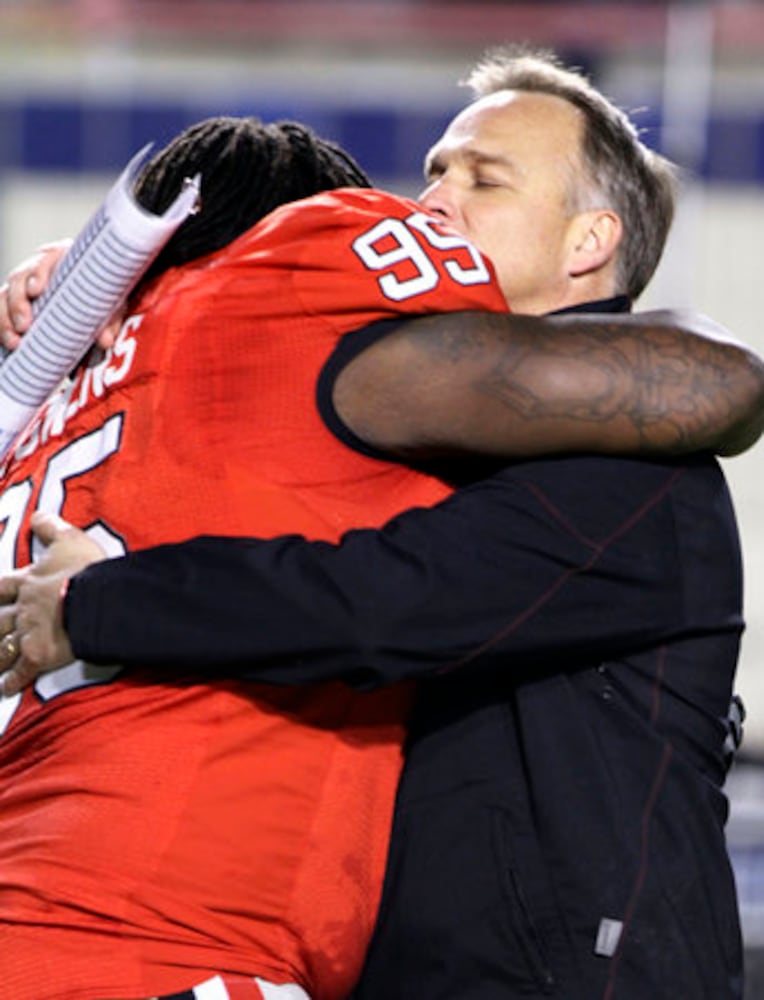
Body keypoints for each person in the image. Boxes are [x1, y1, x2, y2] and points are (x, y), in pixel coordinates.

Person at [0, 49, 760, 1000]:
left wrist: (107, 603)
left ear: (587, 243)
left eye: (486, 178)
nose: (435, 198)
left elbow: (388, 599)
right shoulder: (399, 416)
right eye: (435, 170)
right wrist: (122, 278)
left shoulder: (639, 471)